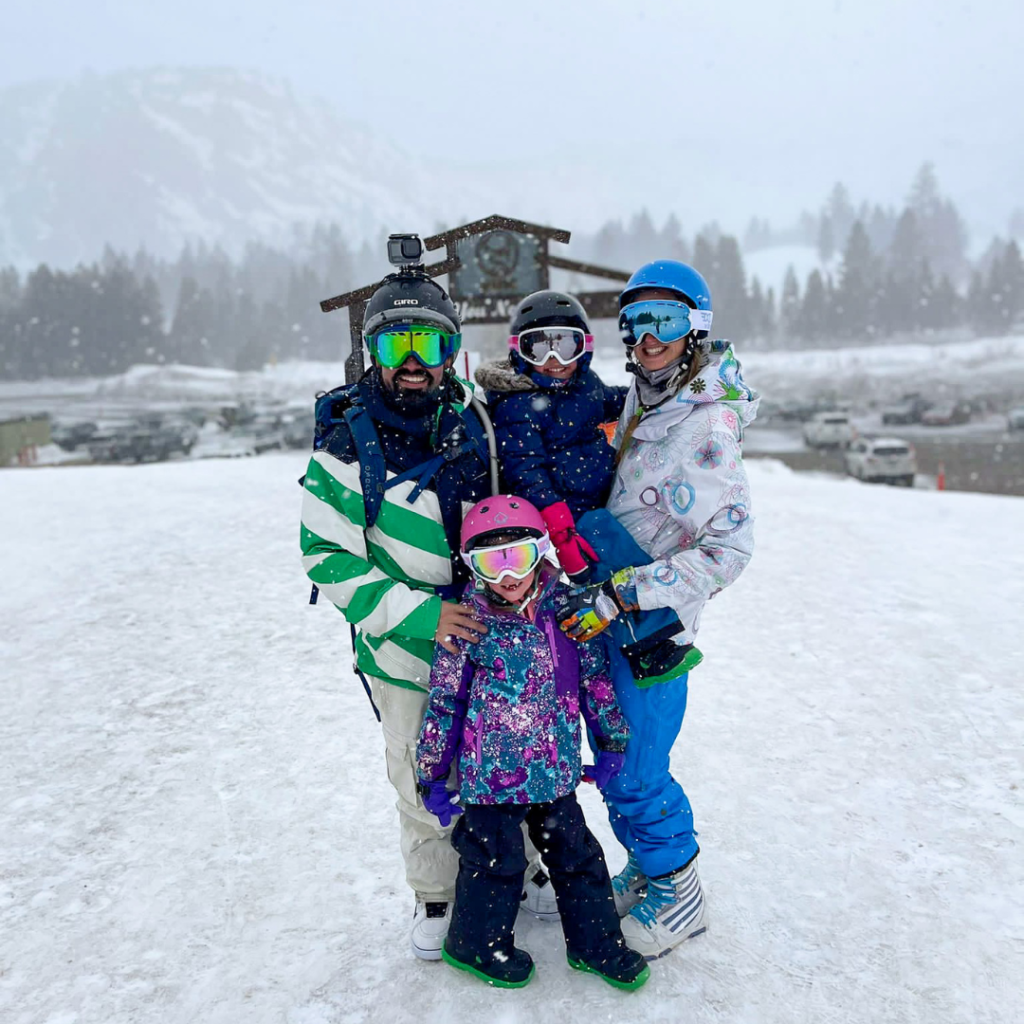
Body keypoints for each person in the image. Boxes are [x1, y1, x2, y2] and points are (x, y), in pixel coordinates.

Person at [299, 255, 555, 961]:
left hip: (496, 636)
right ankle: (437, 893)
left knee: (516, 750)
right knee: (421, 770)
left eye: (430, 345)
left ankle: (530, 868)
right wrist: (423, 616)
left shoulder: (476, 420)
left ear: (452, 353)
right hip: (404, 650)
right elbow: (327, 557)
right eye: (395, 345)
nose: (414, 363)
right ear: (372, 353)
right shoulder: (347, 441)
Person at [557, 260, 760, 960]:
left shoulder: (705, 425)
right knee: (615, 759)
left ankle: (680, 891)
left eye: (666, 322)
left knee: (638, 765)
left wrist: (628, 593)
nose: (648, 338)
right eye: (636, 323)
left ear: (696, 330)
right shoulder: (648, 403)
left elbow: (729, 549)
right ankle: (649, 866)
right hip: (611, 616)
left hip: (650, 630)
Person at [416, 495, 649, 990]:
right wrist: (432, 774)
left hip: (555, 769)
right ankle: (476, 943)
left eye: (517, 556)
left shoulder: (567, 612)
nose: (506, 575)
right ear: (471, 565)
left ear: (540, 552)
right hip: (490, 777)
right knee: (495, 862)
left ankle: (596, 944)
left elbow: (595, 683)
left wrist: (610, 742)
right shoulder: (468, 623)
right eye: (490, 562)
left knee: (579, 857)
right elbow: (445, 704)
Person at [478, 290, 698, 685]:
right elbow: (526, 469)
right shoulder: (517, 404)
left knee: (621, 559)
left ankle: (649, 633)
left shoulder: (585, 385)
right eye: (539, 348)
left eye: (565, 345)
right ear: (518, 352)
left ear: (585, 348)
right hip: (566, 515)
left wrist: (650, 398)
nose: (554, 361)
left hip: (599, 501)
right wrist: (560, 526)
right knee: (611, 564)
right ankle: (651, 644)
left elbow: (609, 402)